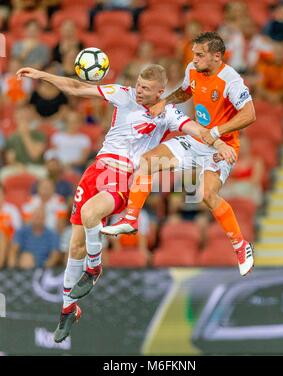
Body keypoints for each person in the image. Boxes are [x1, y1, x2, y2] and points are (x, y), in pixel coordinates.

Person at [17, 63, 235, 343]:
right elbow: (76, 87)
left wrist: (220, 145)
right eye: (139, 86)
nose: (140, 91)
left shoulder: (168, 113)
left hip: (122, 176)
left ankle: (94, 267)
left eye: (146, 89)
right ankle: (68, 310)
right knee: (75, 244)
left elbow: (199, 130)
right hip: (96, 170)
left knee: (90, 213)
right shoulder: (122, 94)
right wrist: (42, 75)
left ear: (160, 91)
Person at [102, 32, 256, 277]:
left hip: (221, 146)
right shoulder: (192, 70)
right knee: (147, 162)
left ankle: (240, 245)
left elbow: (250, 114)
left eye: (200, 55)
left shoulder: (231, 81)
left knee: (206, 194)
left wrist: (216, 133)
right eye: (193, 54)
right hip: (196, 139)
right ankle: (131, 220)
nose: (194, 59)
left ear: (217, 56)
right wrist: (166, 101)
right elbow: (186, 92)